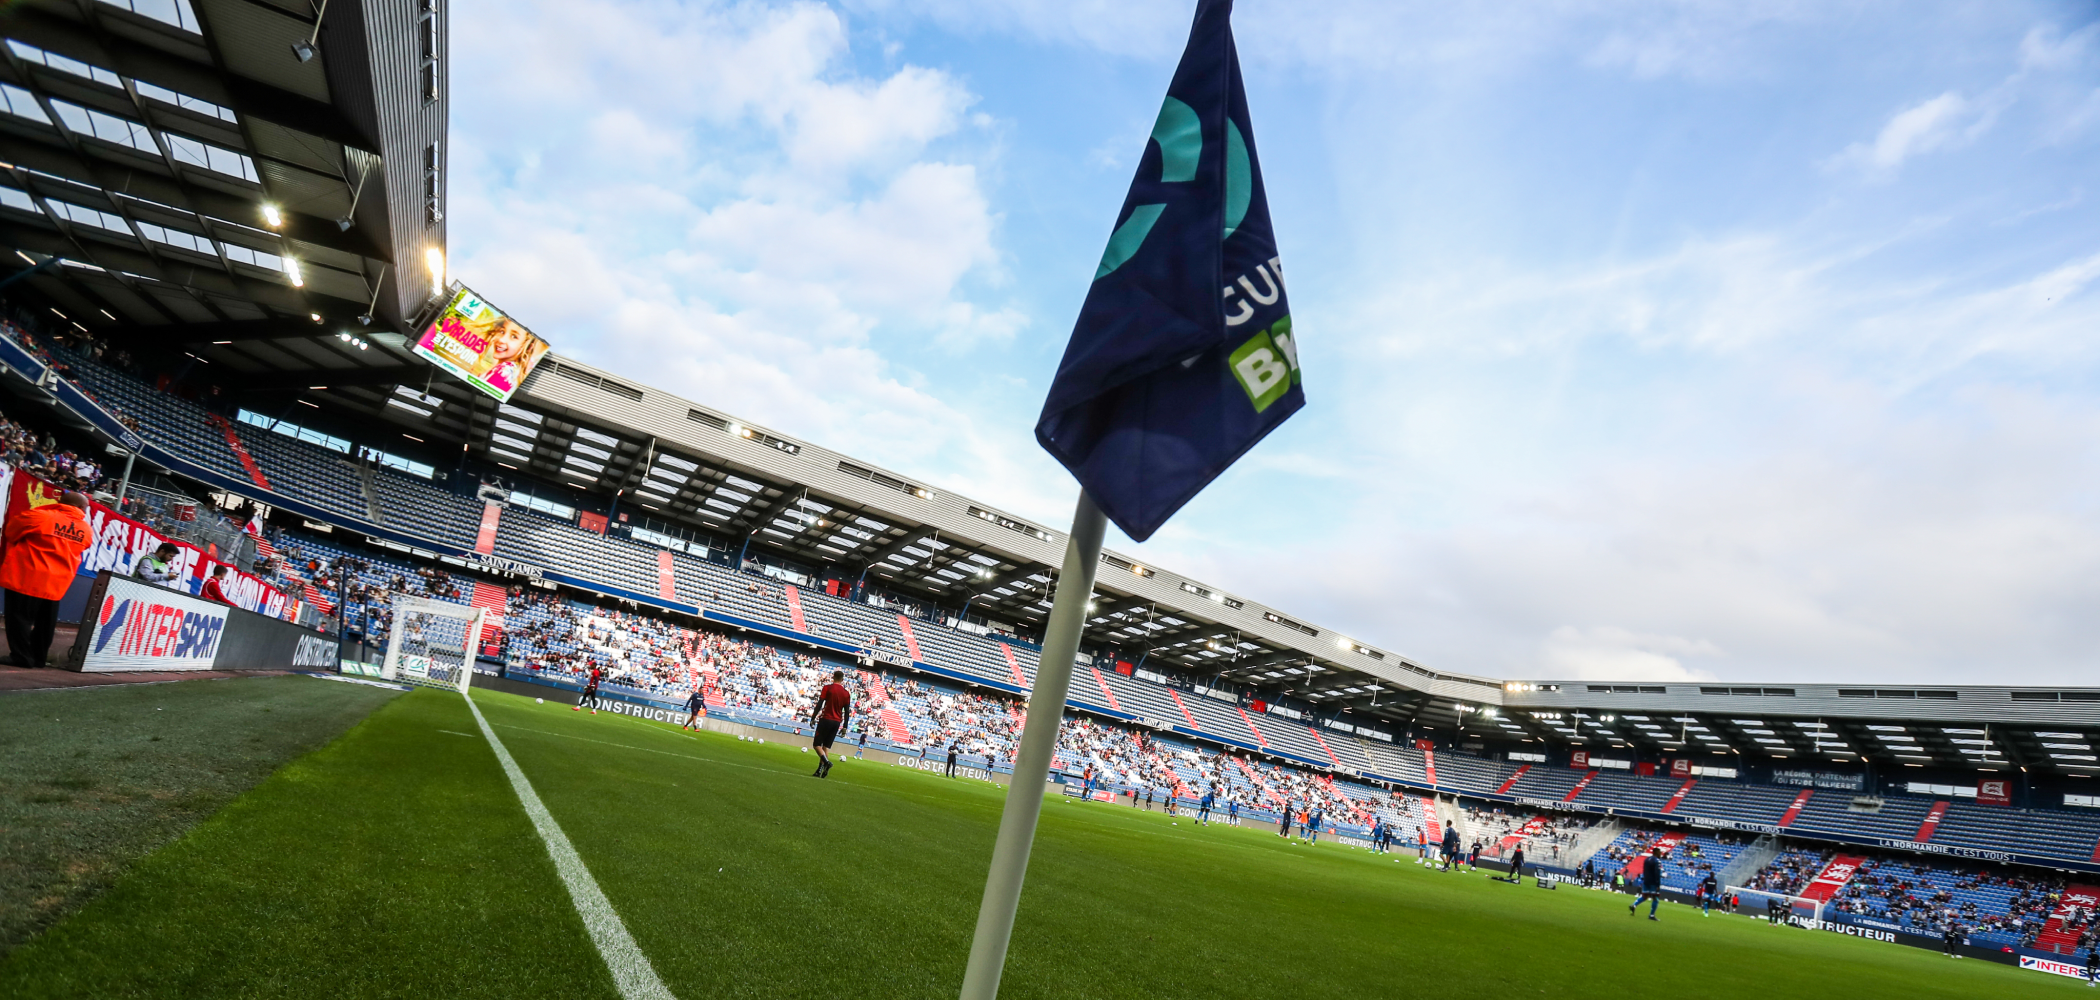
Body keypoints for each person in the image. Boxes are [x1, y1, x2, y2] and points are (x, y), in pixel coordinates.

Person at [1, 490, 91, 668]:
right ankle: (39, 658)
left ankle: (21, 656)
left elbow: (11, 532)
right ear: (80, 508)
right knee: (46, 624)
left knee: (19, 619)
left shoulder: (39, 516)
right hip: (57, 584)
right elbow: (84, 546)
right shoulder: (86, 530)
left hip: (27, 577)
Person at [806, 669, 851, 779]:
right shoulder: (846, 693)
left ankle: (826, 763)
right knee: (826, 747)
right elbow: (847, 712)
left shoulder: (827, 688)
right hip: (836, 722)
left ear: (833, 677)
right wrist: (845, 727)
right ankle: (819, 770)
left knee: (817, 745)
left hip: (825, 719)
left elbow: (820, 703)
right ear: (842, 680)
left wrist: (813, 717)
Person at [1628, 848, 1666, 920]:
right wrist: (1658, 884)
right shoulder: (1657, 861)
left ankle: (1634, 905)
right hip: (1653, 882)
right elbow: (1657, 873)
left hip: (1646, 881)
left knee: (1644, 896)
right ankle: (1651, 915)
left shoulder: (1647, 859)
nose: (1661, 854)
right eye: (1660, 852)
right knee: (1655, 898)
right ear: (1656, 852)